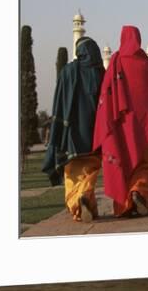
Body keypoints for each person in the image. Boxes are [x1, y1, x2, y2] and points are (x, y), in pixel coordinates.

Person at [93, 26, 148, 217]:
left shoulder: (116, 61)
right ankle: (138, 192)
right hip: (143, 127)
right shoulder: (146, 64)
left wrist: (106, 120)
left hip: (120, 124)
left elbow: (106, 92)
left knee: (122, 161)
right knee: (145, 163)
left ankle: (124, 206)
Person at [41, 37, 105, 222]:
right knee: (90, 169)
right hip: (94, 134)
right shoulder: (101, 72)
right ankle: (86, 197)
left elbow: (59, 101)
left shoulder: (67, 71)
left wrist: (58, 126)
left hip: (71, 135)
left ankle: (78, 203)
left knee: (72, 172)